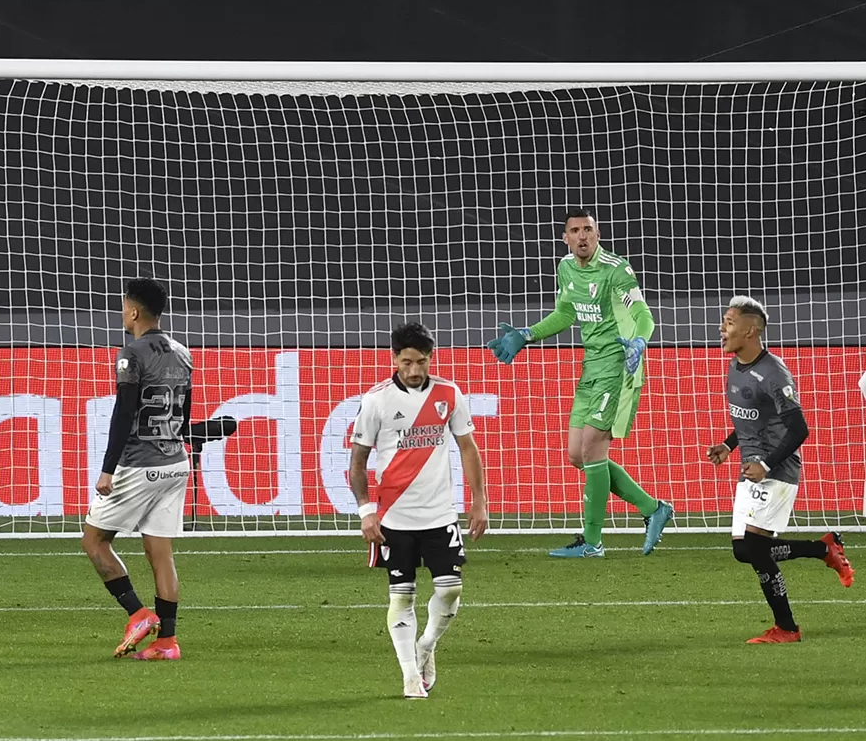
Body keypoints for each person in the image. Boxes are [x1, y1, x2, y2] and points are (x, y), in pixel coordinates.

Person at [488, 207, 673, 557]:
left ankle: (592, 542)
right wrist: (527, 335)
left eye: (588, 229)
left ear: (598, 233)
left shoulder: (616, 270)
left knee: (592, 449)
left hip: (619, 363)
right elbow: (566, 313)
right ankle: (653, 509)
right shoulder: (566, 268)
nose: (582, 236)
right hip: (590, 366)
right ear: (566, 238)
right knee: (578, 455)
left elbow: (642, 313)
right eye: (575, 230)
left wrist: (640, 341)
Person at [349, 322, 489, 699]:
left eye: (421, 362)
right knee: (402, 595)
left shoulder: (448, 393)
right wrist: (365, 511)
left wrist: (479, 501)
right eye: (407, 362)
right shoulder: (376, 400)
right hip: (394, 516)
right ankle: (410, 676)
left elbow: (468, 448)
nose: (414, 371)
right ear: (394, 359)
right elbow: (358, 462)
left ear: (431, 358)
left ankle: (426, 645)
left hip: (440, 514)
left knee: (451, 590)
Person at [706, 296, 853, 643]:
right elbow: (753, 419)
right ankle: (823, 549)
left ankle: (788, 627)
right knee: (746, 551)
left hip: (777, 469)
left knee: (752, 551)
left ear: (750, 329)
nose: (721, 328)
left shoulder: (773, 373)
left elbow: (799, 427)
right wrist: (729, 445)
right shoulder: (737, 364)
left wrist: (767, 463)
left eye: (729, 322)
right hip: (751, 469)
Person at [81, 279, 193, 661]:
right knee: (160, 552)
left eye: (123, 307)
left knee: (94, 541)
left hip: (140, 465)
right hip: (176, 463)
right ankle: (168, 642)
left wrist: (108, 470)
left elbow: (124, 413)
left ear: (133, 311)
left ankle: (138, 614)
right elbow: (185, 415)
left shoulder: (131, 353)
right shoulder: (183, 353)